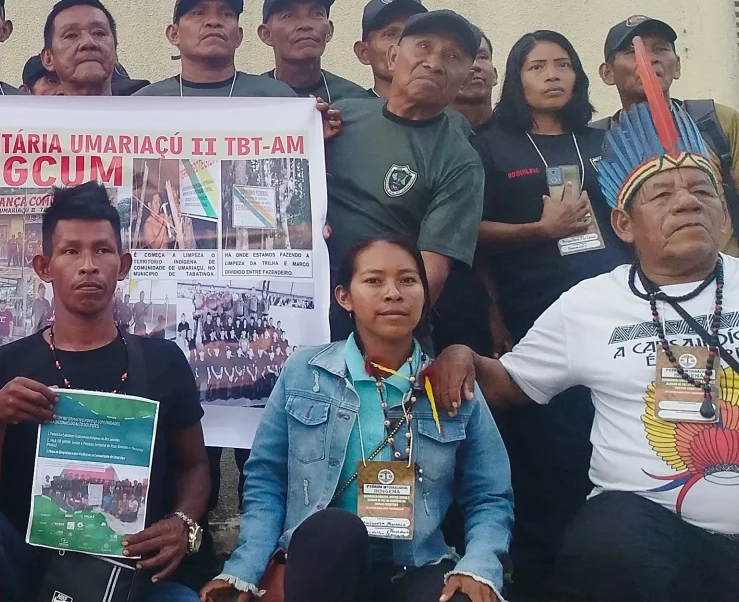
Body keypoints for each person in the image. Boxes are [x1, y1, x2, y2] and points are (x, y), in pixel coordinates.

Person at [444, 84, 739, 602]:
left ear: (723, 214)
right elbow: (513, 384)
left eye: (704, 190)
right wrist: (461, 355)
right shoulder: (587, 303)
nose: (688, 201)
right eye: (662, 195)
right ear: (623, 224)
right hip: (648, 551)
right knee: (606, 536)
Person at [0, 182, 211, 602]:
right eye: (71, 251)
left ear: (124, 263)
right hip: (29, 565)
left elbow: (195, 466)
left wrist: (183, 522)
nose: (88, 266)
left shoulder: (163, 361)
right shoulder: (7, 364)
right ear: (44, 266)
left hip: (128, 573)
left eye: (102, 250)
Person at [204, 236, 510, 602]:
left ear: (425, 295)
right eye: (374, 280)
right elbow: (266, 477)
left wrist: (478, 565)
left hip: (415, 564)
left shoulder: (450, 384)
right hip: (320, 563)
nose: (394, 293)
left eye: (408, 281)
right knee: (335, 530)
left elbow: (490, 495)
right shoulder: (305, 373)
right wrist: (245, 567)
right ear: (344, 296)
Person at [462, 29, 622, 598]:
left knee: (608, 440)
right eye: (536, 67)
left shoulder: (604, 139)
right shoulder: (491, 144)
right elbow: (467, 233)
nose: (552, 76)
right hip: (533, 314)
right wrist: (498, 314)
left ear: (580, 75)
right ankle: (541, 577)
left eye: (563, 65)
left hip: (614, 314)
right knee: (544, 452)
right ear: (516, 78)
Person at [324, 10, 485, 339]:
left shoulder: (459, 161)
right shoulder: (342, 115)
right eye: (423, 46)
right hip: (301, 310)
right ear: (394, 56)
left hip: (379, 328)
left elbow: (430, 274)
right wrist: (309, 142)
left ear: (465, 76)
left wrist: (374, 327)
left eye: (452, 56)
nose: (434, 63)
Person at [596, 15, 739, 263]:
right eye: (632, 51)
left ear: (677, 66)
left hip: (720, 284)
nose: (649, 58)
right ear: (607, 73)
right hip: (639, 292)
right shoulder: (598, 140)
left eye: (661, 49)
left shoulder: (717, 121)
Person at [430, 31, 498, 354]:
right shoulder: (432, 140)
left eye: (482, 57)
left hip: (518, 289)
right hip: (450, 297)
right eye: (463, 59)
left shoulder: (518, 137)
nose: (474, 67)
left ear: (495, 73)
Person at [134, 0, 298, 97]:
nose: (213, 22)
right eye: (198, 13)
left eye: (226, 14)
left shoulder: (277, 97)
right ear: (174, 34)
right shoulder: (146, 103)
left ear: (239, 36)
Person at [256, 0, 371, 103]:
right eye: (289, 15)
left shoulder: (356, 100)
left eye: (316, 14)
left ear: (329, 31)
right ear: (266, 34)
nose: (305, 25)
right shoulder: (249, 98)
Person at [41, 0, 137, 97]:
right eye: (71, 35)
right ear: (48, 58)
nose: (88, 42)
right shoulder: (29, 113)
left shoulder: (146, 111)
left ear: (116, 53)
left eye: (99, 33)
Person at [353, 0, 428, 98]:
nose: (404, 42)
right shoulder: (345, 113)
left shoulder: (447, 113)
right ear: (364, 53)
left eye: (413, 33)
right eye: (390, 34)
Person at [452, 34, 496, 131]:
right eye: (457, 57)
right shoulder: (425, 137)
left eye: (482, 57)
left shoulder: (520, 136)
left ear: (495, 75)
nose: (474, 65)